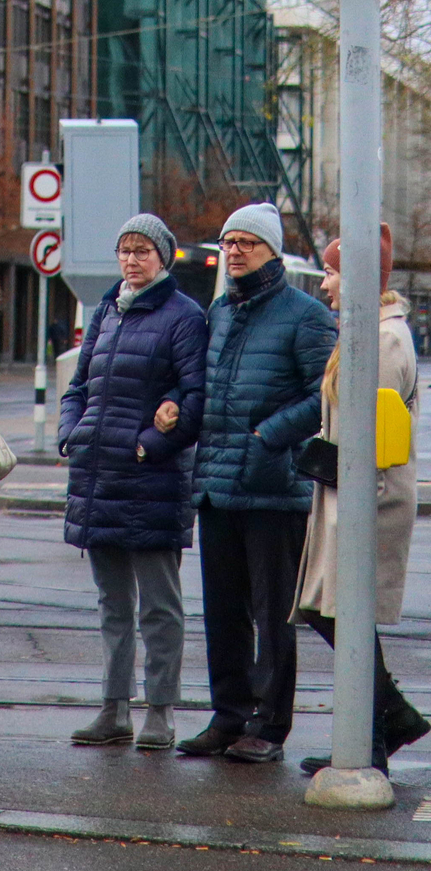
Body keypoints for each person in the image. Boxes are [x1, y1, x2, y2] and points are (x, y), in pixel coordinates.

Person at [183, 202, 335, 763]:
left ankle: (269, 725)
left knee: (274, 614)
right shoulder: (220, 311)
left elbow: (325, 396)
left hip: (274, 487)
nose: (237, 250)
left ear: (272, 250)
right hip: (217, 487)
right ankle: (228, 715)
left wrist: (267, 436)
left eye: (249, 242)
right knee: (222, 610)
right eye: (230, 242)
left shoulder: (305, 314)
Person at [58, 213, 206, 753]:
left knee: (159, 607)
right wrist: (70, 433)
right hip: (98, 476)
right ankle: (113, 709)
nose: (131, 259)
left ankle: (161, 712)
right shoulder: (107, 311)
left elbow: (193, 400)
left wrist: (150, 443)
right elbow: (78, 386)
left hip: (152, 480)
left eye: (142, 250)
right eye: (124, 250)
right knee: (112, 604)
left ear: (162, 257)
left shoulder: (183, 316)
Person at [293, 226, 428, 774]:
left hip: (365, 501)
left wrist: (350, 483)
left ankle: (376, 731)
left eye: (331, 272)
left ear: (358, 278)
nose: (324, 283)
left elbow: (376, 434)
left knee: (342, 612)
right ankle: (381, 726)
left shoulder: (384, 339)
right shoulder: (364, 330)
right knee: (332, 611)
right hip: (347, 495)